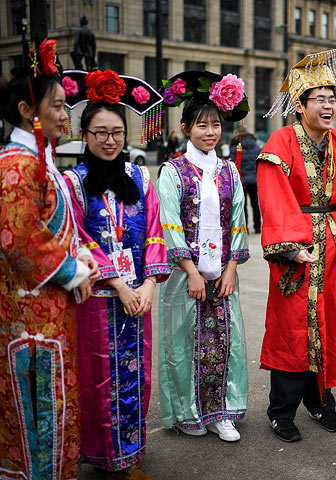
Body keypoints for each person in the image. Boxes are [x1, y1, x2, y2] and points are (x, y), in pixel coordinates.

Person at [259, 49, 336, 441]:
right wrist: (291, 247)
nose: (330, 105)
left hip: (333, 249)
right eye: (321, 99)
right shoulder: (281, 142)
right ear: (300, 105)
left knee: (330, 323)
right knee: (293, 329)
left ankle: (321, 402)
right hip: (297, 252)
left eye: (333, 99)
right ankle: (281, 412)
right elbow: (274, 196)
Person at [62, 70, 170, 479]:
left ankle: (131, 455)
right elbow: (78, 237)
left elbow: (155, 230)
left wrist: (147, 284)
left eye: (117, 132)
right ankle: (101, 453)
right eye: (100, 132)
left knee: (135, 376)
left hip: (137, 298)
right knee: (97, 379)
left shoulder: (142, 177)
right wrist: (118, 283)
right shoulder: (72, 182)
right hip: (96, 300)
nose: (110, 141)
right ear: (84, 135)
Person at [0, 38, 98, 479]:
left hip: (49, 311)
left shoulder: (39, 159)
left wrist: (82, 256)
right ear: (28, 109)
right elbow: (19, 238)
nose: (65, 114)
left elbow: (59, 226)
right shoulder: (17, 165)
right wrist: (74, 268)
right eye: (57, 105)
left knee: (52, 402)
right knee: (38, 407)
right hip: (29, 314)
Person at [157, 70, 250, 441]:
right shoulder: (173, 171)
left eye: (215, 125)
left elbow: (239, 222)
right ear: (184, 128)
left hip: (224, 275)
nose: (210, 132)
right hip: (186, 277)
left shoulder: (228, 170)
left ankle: (221, 412)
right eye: (201, 125)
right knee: (184, 345)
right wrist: (191, 271)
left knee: (226, 341)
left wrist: (230, 269)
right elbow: (170, 223)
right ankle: (189, 413)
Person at [230, 128, 262, 233]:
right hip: (254, 179)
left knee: (243, 204)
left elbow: (234, 164)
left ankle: (245, 227)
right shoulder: (256, 146)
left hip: (242, 179)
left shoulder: (235, 148)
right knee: (255, 203)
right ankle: (257, 227)